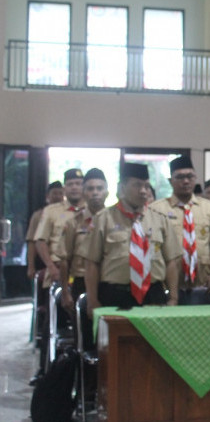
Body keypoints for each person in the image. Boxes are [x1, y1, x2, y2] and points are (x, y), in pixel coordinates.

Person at [82, 163, 181, 317]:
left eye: (146, 186)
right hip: (115, 296)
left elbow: (171, 262)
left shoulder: (160, 219)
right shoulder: (103, 219)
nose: (143, 191)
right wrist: (92, 300)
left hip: (153, 294)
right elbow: (92, 263)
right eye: (137, 185)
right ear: (122, 187)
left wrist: (173, 298)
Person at [31, 168, 84, 384]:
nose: (74, 187)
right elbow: (40, 240)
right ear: (64, 187)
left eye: (78, 183)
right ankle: (46, 371)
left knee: (83, 327)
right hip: (55, 275)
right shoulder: (52, 211)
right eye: (70, 183)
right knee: (50, 327)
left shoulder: (93, 211)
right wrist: (51, 267)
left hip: (80, 274)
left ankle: (81, 375)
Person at [150, 156, 210, 305]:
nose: (186, 181)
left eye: (190, 176)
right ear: (170, 181)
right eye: (180, 177)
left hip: (202, 287)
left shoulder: (208, 207)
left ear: (195, 178)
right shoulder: (157, 209)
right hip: (168, 288)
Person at [56, 168, 109, 313]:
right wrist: (65, 293)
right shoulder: (74, 223)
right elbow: (65, 259)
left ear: (107, 192)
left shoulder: (116, 221)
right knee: (83, 332)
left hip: (109, 283)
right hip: (81, 282)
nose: (95, 192)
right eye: (90, 189)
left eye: (99, 188)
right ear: (84, 193)